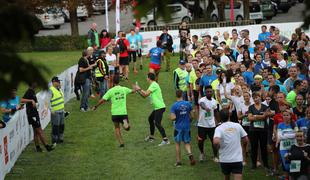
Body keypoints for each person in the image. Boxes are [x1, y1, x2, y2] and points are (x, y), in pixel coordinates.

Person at [93, 75, 135, 148]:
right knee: (128, 128)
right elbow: (133, 91)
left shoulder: (110, 91)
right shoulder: (124, 89)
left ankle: (121, 143)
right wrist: (135, 87)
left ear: (113, 82)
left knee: (117, 127)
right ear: (119, 81)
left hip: (115, 113)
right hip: (123, 112)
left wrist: (96, 106)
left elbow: (103, 100)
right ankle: (126, 124)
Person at [135, 73, 169, 146]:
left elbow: (146, 94)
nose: (146, 79)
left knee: (157, 123)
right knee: (150, 119)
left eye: (147, 77)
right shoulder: (152, 85)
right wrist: (138, 91)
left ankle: (165, 140)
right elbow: (144, 96)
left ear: (149, 78)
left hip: (160, 107)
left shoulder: (154, 85)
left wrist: (139, 88)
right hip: (157, 107)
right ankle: (151, 137)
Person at [213, 109, 248, 180]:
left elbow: (216, 141)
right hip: (237, 159)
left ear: (220, 117)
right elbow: (245, 139)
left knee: (226, 176)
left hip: (224, 159)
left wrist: (218, 147)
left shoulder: (219, 128)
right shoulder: (237, 125)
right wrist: (243, 147)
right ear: (229, 116)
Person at [21, 83, 54, 152]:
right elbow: (22, 100)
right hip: (32, 114)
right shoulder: (29, 91)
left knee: (35, 131)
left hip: (34, 113)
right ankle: (47, 147)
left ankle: (38, 147)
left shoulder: (32, 91)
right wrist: (31, 101)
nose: (36, 84)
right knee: (39, 130)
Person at [170, 90, 196, 167]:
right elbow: (192, 116)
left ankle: (178, 162)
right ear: (182, 95)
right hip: (187, 126)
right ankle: (190, 154)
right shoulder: (188, 104)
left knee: (177, 144)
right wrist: (189, 120)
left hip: (178, 127)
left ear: (176, 95)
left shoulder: (174, 106)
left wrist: (176, 117)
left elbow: (173, 118)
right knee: (186, 143)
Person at [248, 92, 272, 171]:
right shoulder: (251, 107)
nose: (255, 99)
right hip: (253, 130)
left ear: (260, 97)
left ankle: (266, 164)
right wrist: (261, 116)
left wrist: (255, 116)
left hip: (263, 130)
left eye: (257, 97)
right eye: (254, 98)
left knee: (263, 147)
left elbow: (267, 115)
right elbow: (249, 118)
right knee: (254, 147)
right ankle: (253, 164)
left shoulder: (265, 106)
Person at [197, 85, 219, 162]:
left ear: (212, 92)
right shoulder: (202, 100)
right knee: (200, 141)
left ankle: (215, 156)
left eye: (210, 91)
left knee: (214, 141)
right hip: (202, 124)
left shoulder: (214, 101)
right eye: (207, 92)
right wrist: (205, 108)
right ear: (205, 93)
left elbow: (216, 112)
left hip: (212, 125)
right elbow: (202, 104)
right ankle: (202, 153)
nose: (209, 93)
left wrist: (219, 122)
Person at [277, 109, 298, 179]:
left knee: (295, 164)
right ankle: (288, 177)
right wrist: (291, 134)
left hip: (294, 148)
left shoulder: (294, 123)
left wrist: (284, 135)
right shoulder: (280, 125)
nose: (286, 116)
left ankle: (293, 177)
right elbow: (279, 136)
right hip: (283, 148)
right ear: (282, 116)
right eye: (284, 115)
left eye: (287, 115)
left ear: (290, 116)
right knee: (286, 165)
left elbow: (296, 134)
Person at [49, 77, 65, 145]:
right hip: (55, 111)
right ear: (54, 82)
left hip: (61, 110)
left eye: (59, 81)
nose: (59, 82)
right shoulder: (51, 90)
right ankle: (54, 139)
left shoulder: (59, 89)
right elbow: (47, 101)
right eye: (58, 81)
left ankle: (60, 138)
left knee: (62, 125)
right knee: (55, 126)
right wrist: (51, 109)